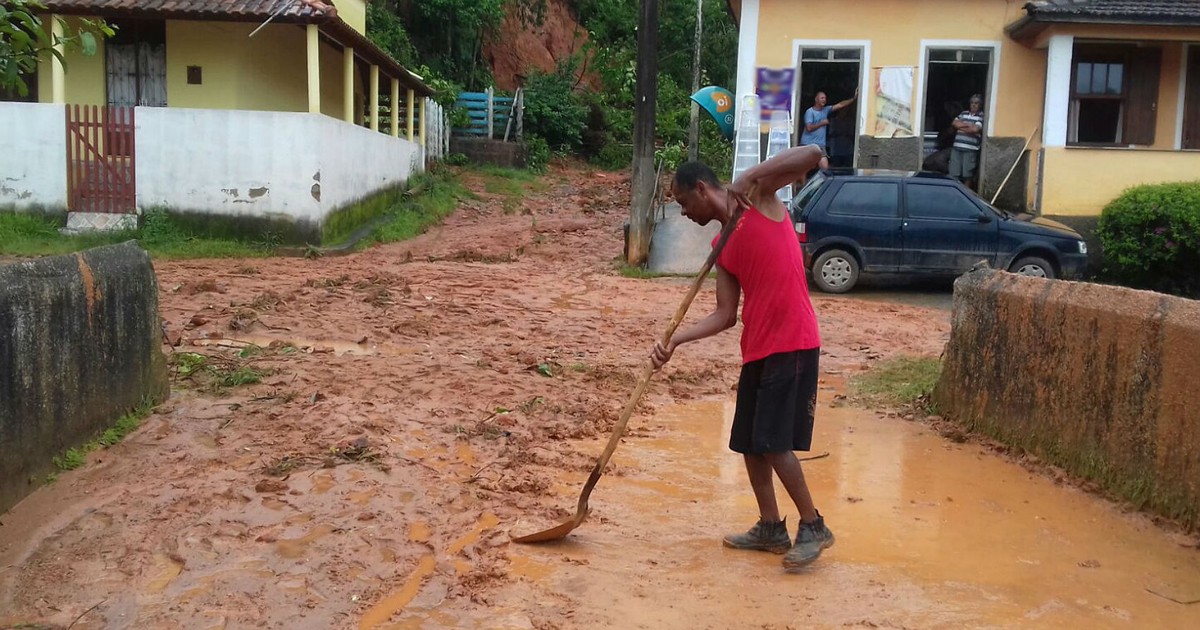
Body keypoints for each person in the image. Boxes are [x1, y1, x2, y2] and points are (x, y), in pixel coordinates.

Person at [651, 145, 834, 572]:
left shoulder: (759, 198)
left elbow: (812, 153)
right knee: (751, 443)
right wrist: (677, 340)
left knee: (773, 443)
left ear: (701, 189)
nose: (682, 213)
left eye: (682, 202)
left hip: (793, 342)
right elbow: (724, 315)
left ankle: (814, 525)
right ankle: (771, 527)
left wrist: (747, 178)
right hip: (757, 347)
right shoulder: (722, 245)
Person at [799, 89, 858, 171]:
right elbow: (809, 128)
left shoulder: (826, 110)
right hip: (808, 144)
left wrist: (853, 99)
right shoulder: (810, 112)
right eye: (822, 98)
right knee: (804, 169)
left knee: (825, 168)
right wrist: (822, 123)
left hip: (820, 145)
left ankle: (821, 183)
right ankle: (802, 184)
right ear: (816, 99)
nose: (824, 100)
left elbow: (840, 105)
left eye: (825, 98)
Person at [950, 94, 985, 190]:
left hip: (970, 150)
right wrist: (968, 125)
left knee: (967, 175)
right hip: (957, 147)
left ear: (980, 105)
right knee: (954, 173)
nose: (973, 105)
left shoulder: (981, 116)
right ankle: (954, 193)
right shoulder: (963, 113)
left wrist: (961, 126)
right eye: (972, 103)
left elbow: (974, 130)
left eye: (976, 103)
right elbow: (954, 123)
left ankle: (966, 194)